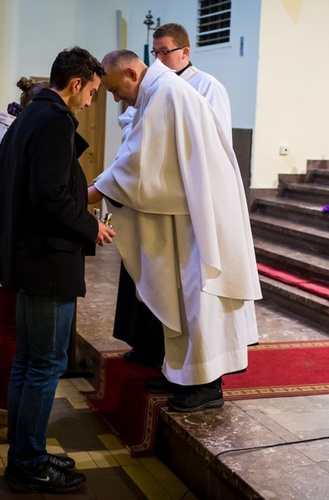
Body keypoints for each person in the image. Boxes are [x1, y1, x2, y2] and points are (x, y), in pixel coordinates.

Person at [89, 50, 261, 413]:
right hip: (186, 211)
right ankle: (182, 373)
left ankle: (208, 385)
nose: (117, 99)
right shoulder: (159, 92)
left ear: (133, 74)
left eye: (117, 89)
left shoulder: (166, 93)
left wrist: (89, 192)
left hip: (201, 217)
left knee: (201, 299)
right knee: (183, 298)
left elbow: (139, 164)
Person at [0, 47, 114, 494]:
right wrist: (90, 226)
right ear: (75, 84)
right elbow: (50, 196)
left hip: (27, 257)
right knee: (45, 363)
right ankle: (28, 462)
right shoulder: (55, 120)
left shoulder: (28, 116)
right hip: (46, 259)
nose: (91, 101)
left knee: (29, 360)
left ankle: (26, 454)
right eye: (93, 91)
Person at [112, 23, 243, 371]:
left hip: (190, 198)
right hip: (158, 196)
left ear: (185, 52)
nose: (158, 58)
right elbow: (132, 124)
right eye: (153, 53)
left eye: (164, 52)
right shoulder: (155, 88)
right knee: (148, 275)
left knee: (190, 288)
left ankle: (194, 367)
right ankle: (147, 346)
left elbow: (211, 141)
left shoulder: (205, 86)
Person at [0, 77, 48, 446]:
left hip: (3, 231)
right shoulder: (12, 137)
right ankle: (3, 412)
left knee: (2, 327)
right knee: (11, 332)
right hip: (13, 236)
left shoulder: (2, 129)